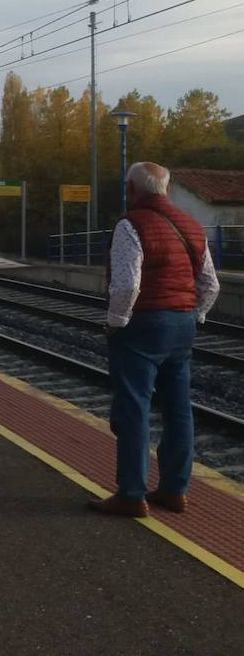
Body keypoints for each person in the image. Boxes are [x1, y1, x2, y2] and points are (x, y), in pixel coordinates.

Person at [88, 161, 220, 518]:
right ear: (167, 190)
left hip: (142, 327)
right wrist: (196, 315)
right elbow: (211, 284)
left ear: (132, 189)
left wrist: (116, 323)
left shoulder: (130, 224)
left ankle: (132, 494)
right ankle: (175, 490)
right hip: (182, 327)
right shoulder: (192, 226)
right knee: (179, 411)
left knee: (133, 409)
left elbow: (128, 284)